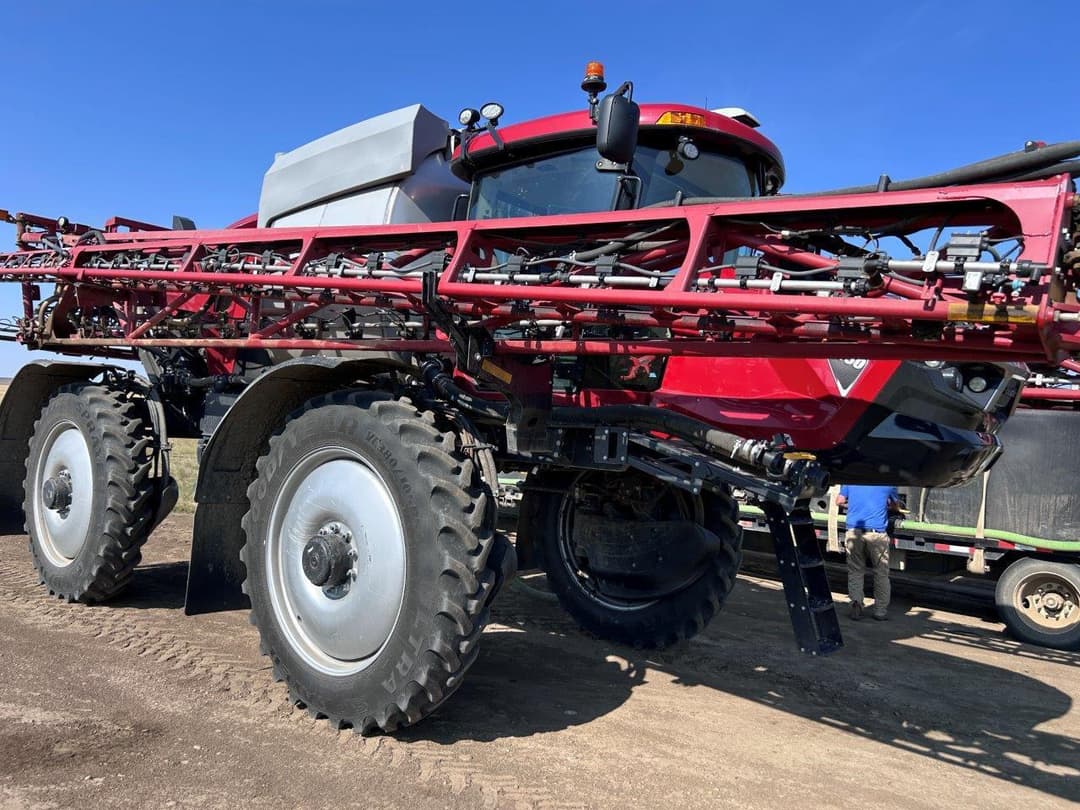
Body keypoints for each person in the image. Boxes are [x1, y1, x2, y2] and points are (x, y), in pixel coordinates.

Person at [836, 484, 898, 621]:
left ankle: (856, 603)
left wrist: (851, 505)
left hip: (854, 532)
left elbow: (839, 501)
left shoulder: (852, 480)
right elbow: (895, 506)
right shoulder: (889, 482)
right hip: (877, 534)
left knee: (855, 570)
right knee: (881, 573)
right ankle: (880, 611)